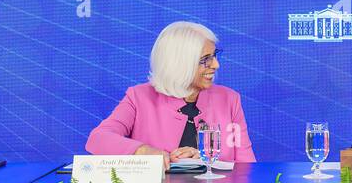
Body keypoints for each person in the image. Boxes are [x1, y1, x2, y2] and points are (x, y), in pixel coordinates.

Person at [86, 21, 256, 164]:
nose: (216, 65)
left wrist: (206, 162)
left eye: (215, 55)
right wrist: (144, 151)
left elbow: (247, 167)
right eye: (205, 60)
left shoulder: (229, 100)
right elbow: (98, 139)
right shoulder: (138, 98)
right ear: (180, 64)